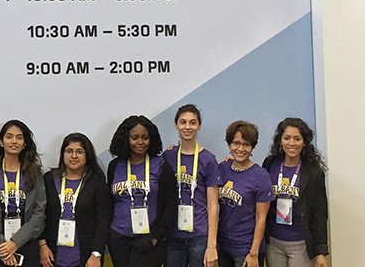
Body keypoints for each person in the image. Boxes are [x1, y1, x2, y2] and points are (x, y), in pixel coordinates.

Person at [106, 116, 176, 267]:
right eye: (135, 137)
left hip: (149, 239)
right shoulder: (115, 166)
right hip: (118, 237)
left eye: (145, 138)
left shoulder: (161, 165)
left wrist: (155, 237)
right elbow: (110, 202)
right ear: (126, 139)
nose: (140, 142)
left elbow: (170, 206)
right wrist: (111, 235)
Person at [0, 120, 46, 267]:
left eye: (19, 137)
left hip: (26, 243)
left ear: (25, 143)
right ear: (1, 142)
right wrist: (3, 246)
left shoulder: (35, 173)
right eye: (9, 137)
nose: (14, 141)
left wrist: (16, 242)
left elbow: (39, 211)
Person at [262, 118, 328, 267]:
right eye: (287, 138)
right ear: (280, 141)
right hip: (273, 242)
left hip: (301, 244)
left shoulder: (313, 172)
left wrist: (321, 252)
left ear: (304, 142)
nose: (291, 143)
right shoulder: (270, 164)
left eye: (297, 138)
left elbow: (320, 213)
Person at [162, 104, 222, 267]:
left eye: (192, 122)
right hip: (173, 235)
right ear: (176, 125)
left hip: (199, 236)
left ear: (199, 126)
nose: (187, 127)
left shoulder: (208, 159)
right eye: (183, 122)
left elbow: (213, 204)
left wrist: (211, 245)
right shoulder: (168, 156)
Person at [39, 132, 111, 267]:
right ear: (63, 154)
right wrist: (42, 245)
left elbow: (103, 221)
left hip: (86, 257)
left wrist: (96, 254)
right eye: (69, 151)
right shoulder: (49, 179)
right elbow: (40, 214)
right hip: (51, 256)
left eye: (79, 152)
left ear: (87, 155)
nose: (73, 156)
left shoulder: (96, 183)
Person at [216, 121, 272, 267]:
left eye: (246, 144)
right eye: (236, 143)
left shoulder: (261, 175)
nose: (241, 149)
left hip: (246, 248)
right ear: (229, 145)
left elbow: (261, 218)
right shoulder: (221, 169)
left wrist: (253, 253)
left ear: (252, 147)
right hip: (223, 246)